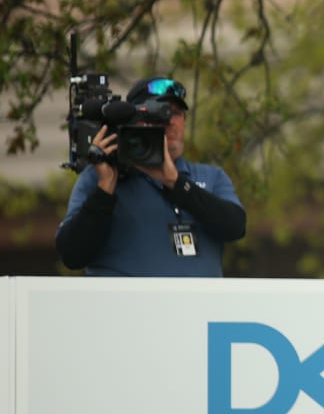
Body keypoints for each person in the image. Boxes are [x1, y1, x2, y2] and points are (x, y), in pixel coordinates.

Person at [56, 76, 247, 276]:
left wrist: (176, 182)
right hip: (127, 297)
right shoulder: (99, 176)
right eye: (159, 113)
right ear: (134, 121)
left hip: (199, 298)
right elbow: (71, 255)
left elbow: (235, 227)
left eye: (176, 113)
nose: (170, 121)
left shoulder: (211, 177)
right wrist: (105, 189)